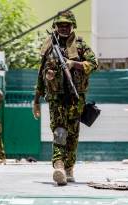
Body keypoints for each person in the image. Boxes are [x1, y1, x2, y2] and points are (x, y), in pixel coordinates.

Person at [32, 10, 98, 186]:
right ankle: (58, 166)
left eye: (66, 25)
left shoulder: (80, 45)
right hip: (56, 99)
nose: (63, 28)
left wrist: (73, 64)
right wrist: (36, 100)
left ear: (72, 26)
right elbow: (40, 74)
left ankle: (69, 168)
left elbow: (94, 64)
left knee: (72, 136)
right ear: (55, 26)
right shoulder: (48, 46)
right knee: (59, 132)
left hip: (76, 100)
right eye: (60, 25)